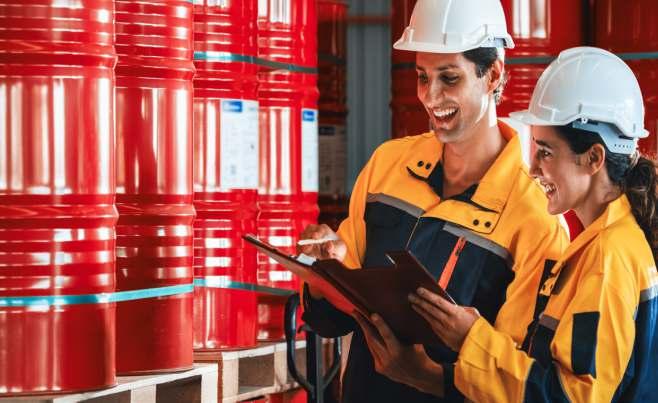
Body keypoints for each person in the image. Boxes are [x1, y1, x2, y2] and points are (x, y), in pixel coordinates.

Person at [298, 0, 567, 401]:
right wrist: (325, 272)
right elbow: (335, 320)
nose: (430, 96)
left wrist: (426, 376)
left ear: (493, 74)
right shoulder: (387, 165)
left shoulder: (536, 217)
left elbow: (520, 383)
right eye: (422, 77)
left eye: (449, 78)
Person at [401, 47, 658, 402]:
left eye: (546, 152)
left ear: (594, 158)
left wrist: (472, 339)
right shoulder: (612, 240)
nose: (534, 168)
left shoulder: (607, 258)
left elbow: (569, 397)